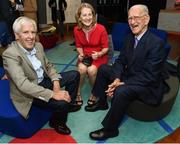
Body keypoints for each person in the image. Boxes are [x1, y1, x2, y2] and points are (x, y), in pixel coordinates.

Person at [87, 4, 169, 140]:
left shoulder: (156, 43)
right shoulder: (130, 38)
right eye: (130, 18)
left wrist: (121, 84)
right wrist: (117, 79)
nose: (132, 21)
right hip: (131, 75)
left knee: (121, 91)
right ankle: (102, 102)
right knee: (103, 69)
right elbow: (120, 61)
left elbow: (149, 76)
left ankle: (110, 129)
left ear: (146, 19)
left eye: (136, 17)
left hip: (147, 85)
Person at [2, 16, 81, 135]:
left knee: (75, 75)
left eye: (33, 32)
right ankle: (57, 122)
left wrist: (55, 81)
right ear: (17, 35)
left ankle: (68, 105)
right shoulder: (10, 54)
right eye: (25, 32)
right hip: (29, 92)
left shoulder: (38, 46)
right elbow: (23, 85)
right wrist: (53, 94)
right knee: (61, 103)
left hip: (42, 81)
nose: (31, 36)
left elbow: (48, 66)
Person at [73, 3, 109, 106]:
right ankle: (78, 92)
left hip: (99, 55)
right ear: (79, 17)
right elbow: (79, 45)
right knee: (81, 69)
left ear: (93, 16)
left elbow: (106, 48)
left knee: (91, 70)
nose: (88, 18)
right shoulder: (76, 30)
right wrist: (80, 54)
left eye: (90, 14)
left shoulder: (101, 28)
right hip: (85, 55)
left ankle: (95, 92)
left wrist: (99, 54)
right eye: (84, 15)